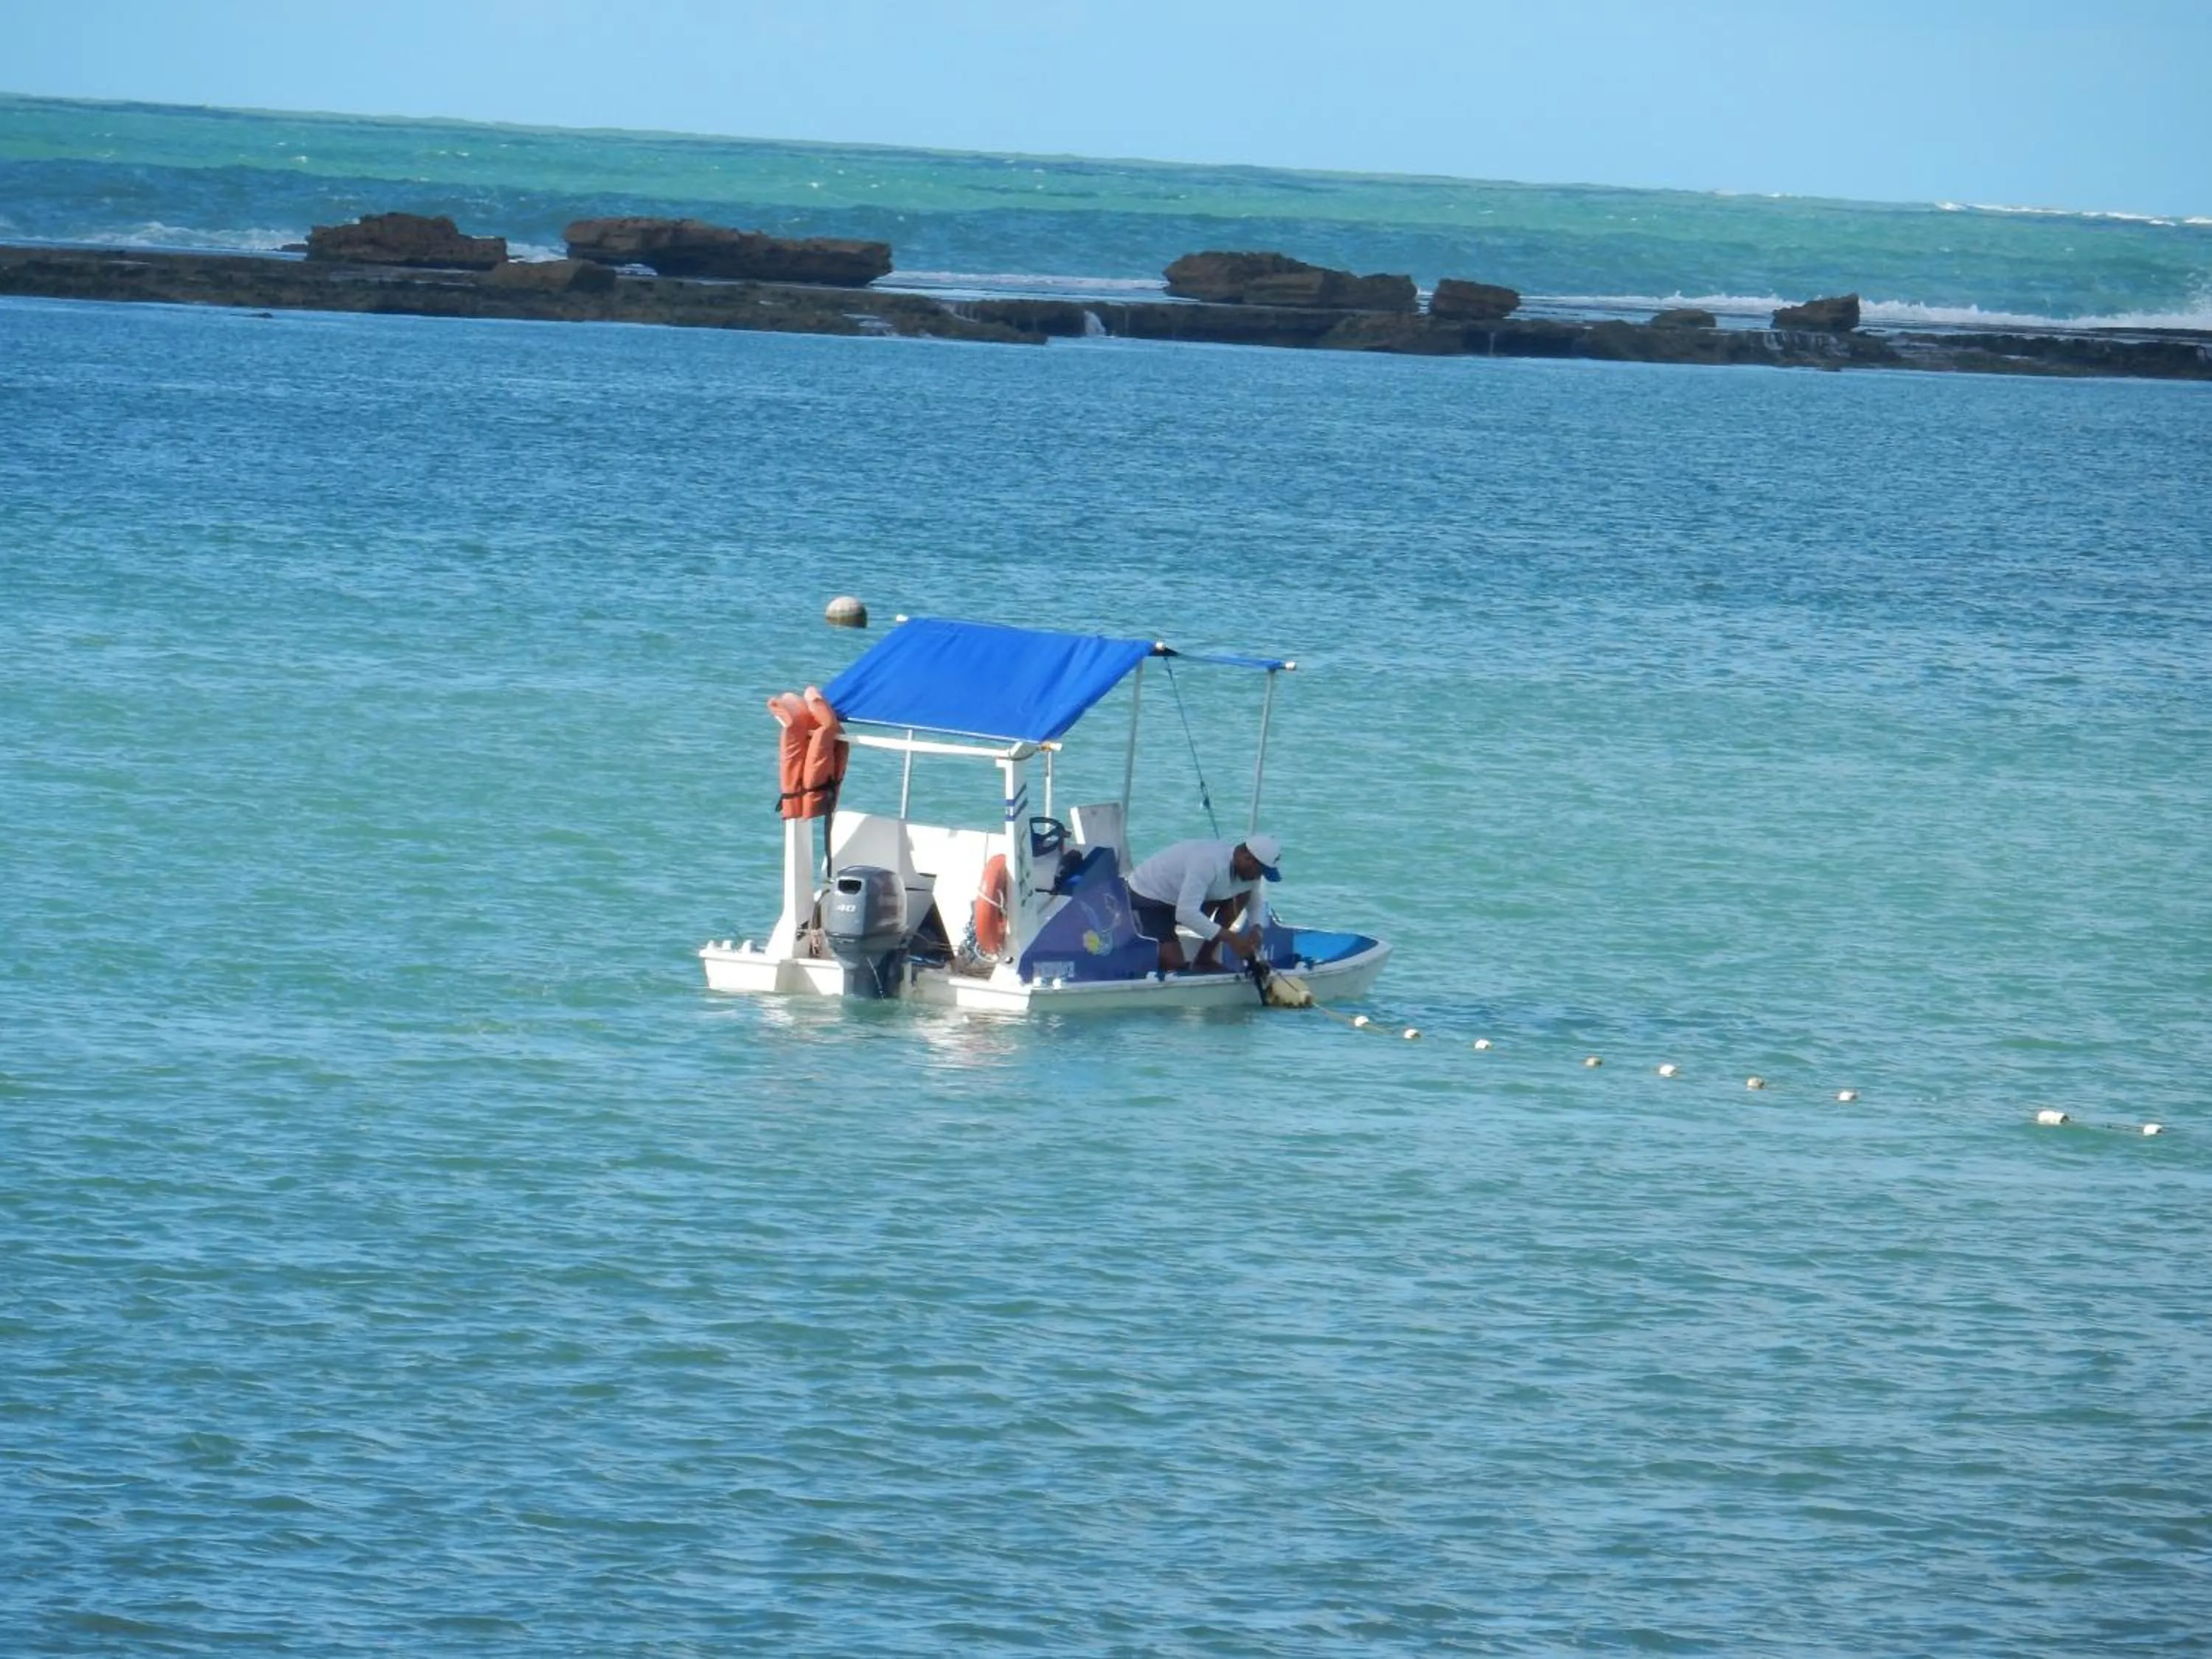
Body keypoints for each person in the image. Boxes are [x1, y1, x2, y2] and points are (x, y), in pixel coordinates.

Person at [1124, 833, 1281, 973]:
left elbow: (1255, 899)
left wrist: (1257, 928)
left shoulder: (1250, 873)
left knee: (1243, 895)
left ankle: (1204, 960)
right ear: (1246, 858)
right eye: (1260, 872)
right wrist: (1232, 939)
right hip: (1149, 896)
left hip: (1183, 899)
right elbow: (1185, 913)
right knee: (1173, 965)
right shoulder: (1208, 864)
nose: (1258, 878)